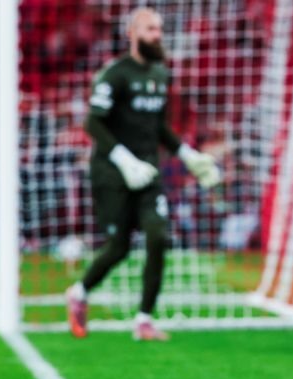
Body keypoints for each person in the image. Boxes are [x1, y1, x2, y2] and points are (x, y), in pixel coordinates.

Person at [65, 7, 220, 341]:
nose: (157, 35)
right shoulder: (115, 74)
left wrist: (188, 155)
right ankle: (79, 292)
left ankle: (144, 319)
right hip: (112, 172)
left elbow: (158, 126)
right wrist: (124, 160)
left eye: (160, 29)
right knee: (118, 246)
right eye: (150, 29)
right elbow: (93, 122)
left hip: (149, 171)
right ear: (132, 33)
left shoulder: (160, 75)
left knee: (157, 235)